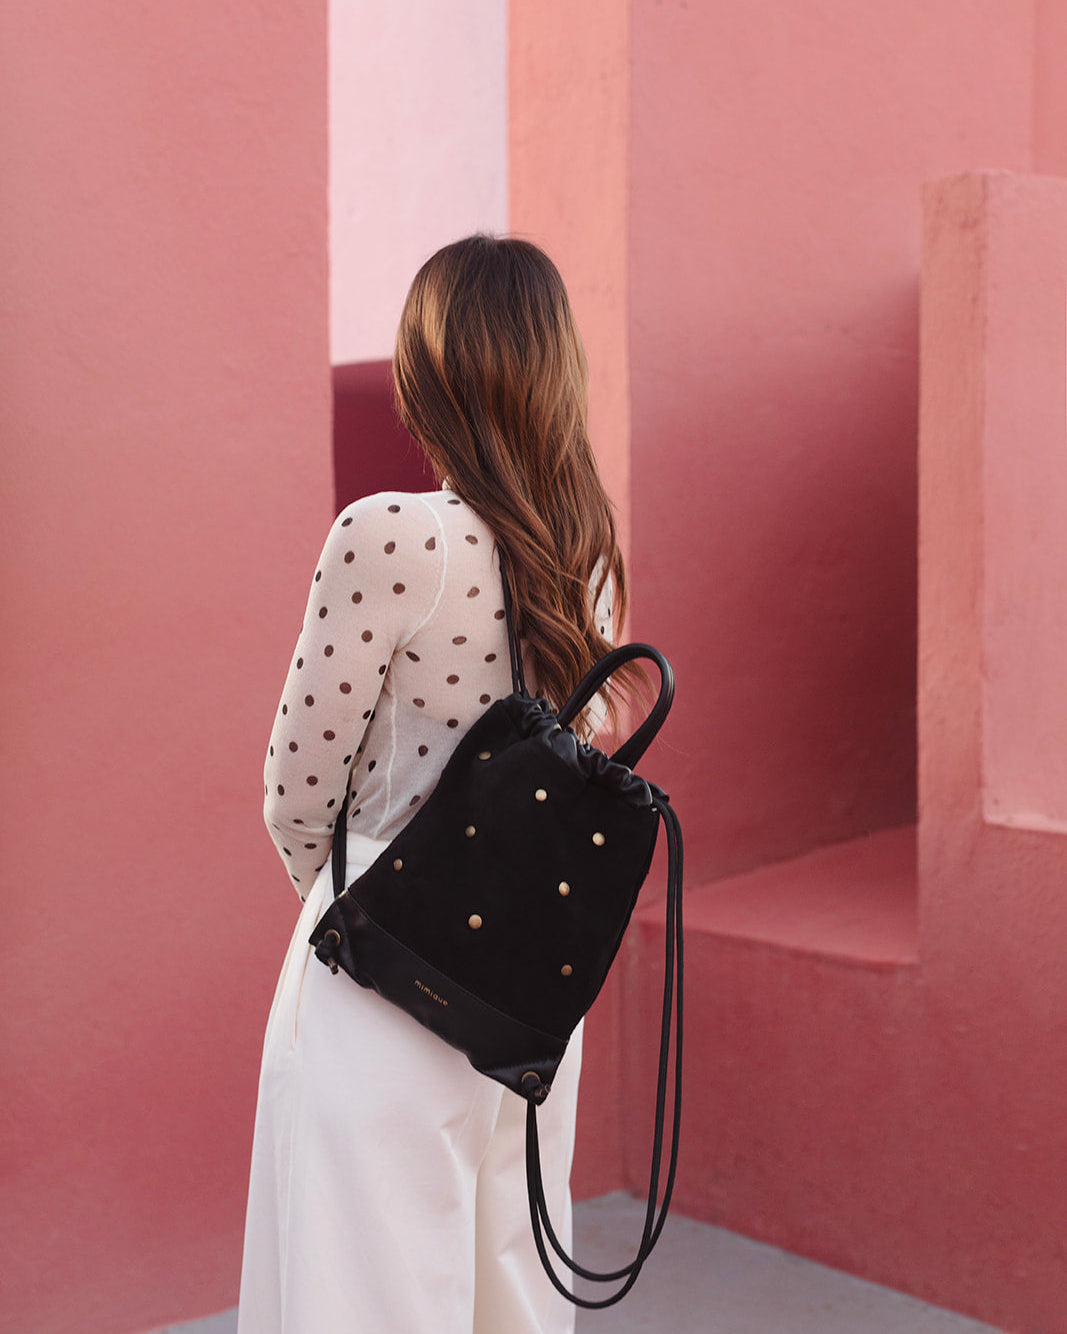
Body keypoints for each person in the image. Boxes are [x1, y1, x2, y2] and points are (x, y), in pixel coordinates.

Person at [237, 235, 633, 1334]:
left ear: (429, 372)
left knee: (355, 1298)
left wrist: (362, 921)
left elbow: (295, 793)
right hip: (525, 998)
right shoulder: (585, 559)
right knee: (508, 1292)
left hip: (380, 977)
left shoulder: (390, 535)